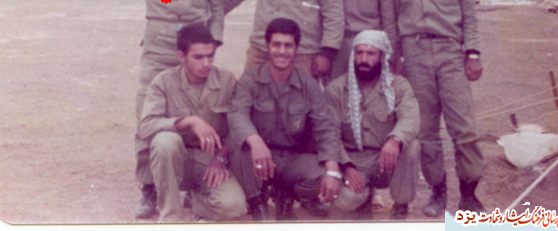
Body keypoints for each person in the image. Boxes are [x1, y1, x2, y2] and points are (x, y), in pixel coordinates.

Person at [107, 0, 224, 218]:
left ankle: (186, 182)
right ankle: (149, 188)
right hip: (158, 45)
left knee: (194, 111)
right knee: (148, 115)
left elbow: (216, 6)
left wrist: (212, 43)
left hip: (194, 47)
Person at [391, 0, 485, 215]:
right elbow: (392, 17)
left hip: (450, 53)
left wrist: (473, 53)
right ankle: (438, 191)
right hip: (414, 55)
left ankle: (469, 194)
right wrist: (395, 58)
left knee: (464, 128)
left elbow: (469, 12)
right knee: (425, 131)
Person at [227, 18, 343, 221]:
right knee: (238, 144)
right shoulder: (250, 79)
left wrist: (333, 171)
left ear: (296, 48)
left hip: (291, 158)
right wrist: (256, 142)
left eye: (288, 45)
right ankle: (256, 201)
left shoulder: (308, 85)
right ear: (267, 46)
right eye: (276, 45)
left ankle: (286, 194)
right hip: (257, 156)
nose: (282, 51)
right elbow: (237, 114)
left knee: (325, 177)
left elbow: (325, 128)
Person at [137, 23, 247, 222]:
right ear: (181, 56)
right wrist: (188, 121)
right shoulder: (163, 82)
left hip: (210, 162)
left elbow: (238, 126)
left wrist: (221, 158)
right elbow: (146, 127)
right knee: (164, 141)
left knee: (235, 208)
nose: (206, 63)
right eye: (198, 57)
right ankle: (171, 218)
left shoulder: (227, 80)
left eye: (210, 56)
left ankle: (200, 203)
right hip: (175, 162)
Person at [325, 30, 421, 220]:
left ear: (383, 57)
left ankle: (401, 204)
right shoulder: (336, 89)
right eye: (359, 53)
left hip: (385, 161)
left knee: (411, 146)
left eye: (371, 53)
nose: (364, 59)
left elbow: (411, 118)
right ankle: (364, 198)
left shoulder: (398, 86)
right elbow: (329, 135)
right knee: (344, 202)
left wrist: (395, 140)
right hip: (353, 162)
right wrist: (346, 166)